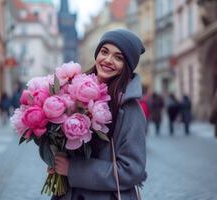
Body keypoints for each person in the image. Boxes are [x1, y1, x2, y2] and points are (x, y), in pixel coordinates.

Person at [50, 29, 147, 200]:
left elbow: (132, 170)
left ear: (127, 66)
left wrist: (72, 169)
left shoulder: (130, 109)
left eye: (119, 57)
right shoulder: (73, 91)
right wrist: (56, 161)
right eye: (104, 51)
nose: (108, 60)